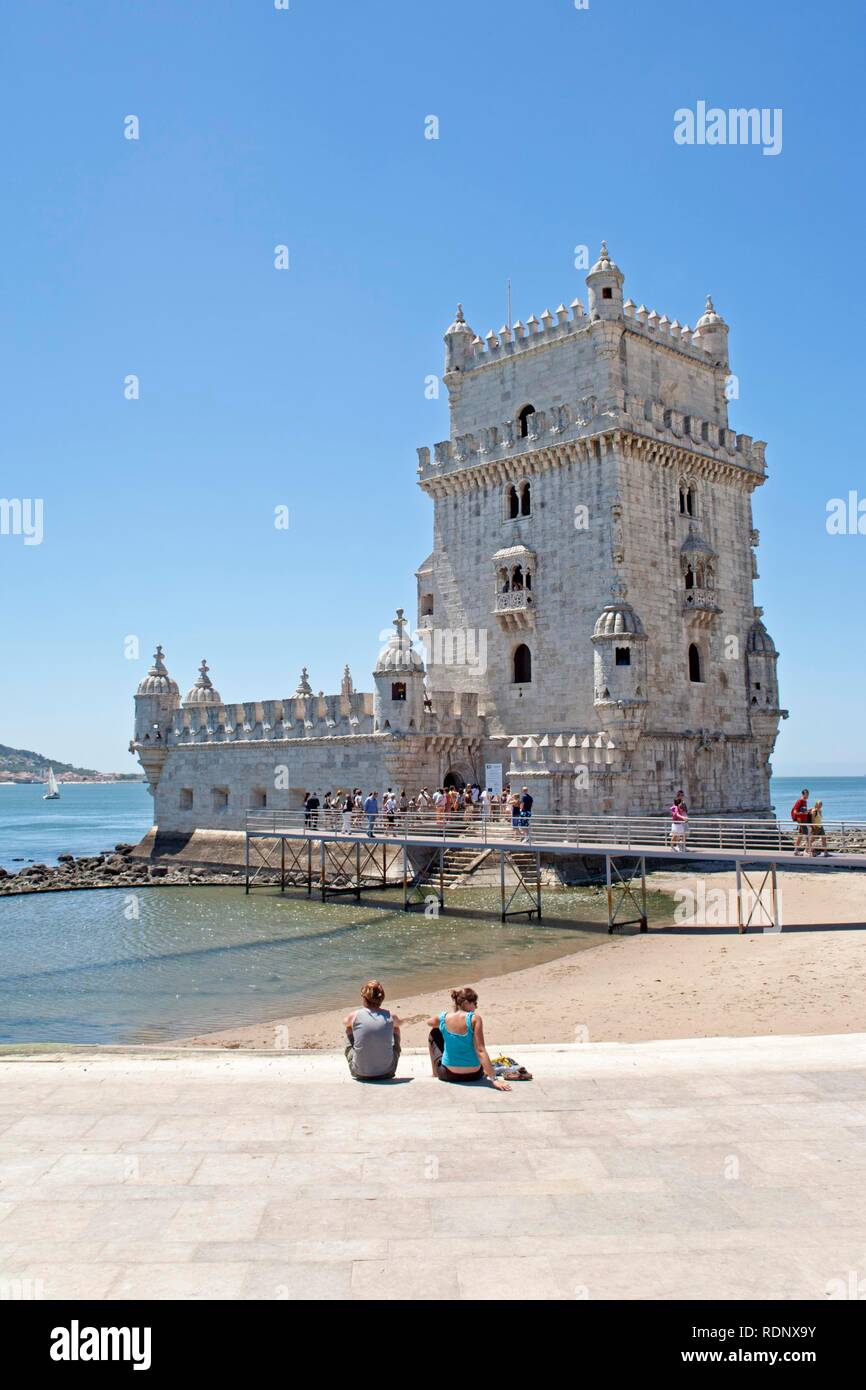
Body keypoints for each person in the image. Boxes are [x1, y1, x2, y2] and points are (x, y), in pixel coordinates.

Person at [427, 987, 511, 1090]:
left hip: (447, 1074)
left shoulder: (444, 1017)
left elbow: (429, 1022)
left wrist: (445, 1025)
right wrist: (494, 1079)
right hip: (474, 1074)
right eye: (475, 1003)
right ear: (466, 1003)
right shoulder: (474, 1019)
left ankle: (435, 1073)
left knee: (434, 1032)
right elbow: (480, 1050)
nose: (476, 1006)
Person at [344, 981, 401, 1080]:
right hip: (388, 1071)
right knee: (396, 1028)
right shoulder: (391, 1016)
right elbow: (399, 1023)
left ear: (364, 999)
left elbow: (345, 1022)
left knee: (349, 1028)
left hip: (359, 1072)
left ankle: (361, 1058)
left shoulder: (355, 1015)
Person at [792, 789, 811, 855]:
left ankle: (796, 850)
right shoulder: (800, 801)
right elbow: (795, 811)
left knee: (800, 835)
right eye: (807, 794)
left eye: (808, 794)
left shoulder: (805, 802)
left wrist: (808, 811)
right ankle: (808, 851)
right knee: (807, 835)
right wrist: (802, 813)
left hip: (804, 820)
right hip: (801, 821)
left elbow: (803, 811)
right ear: (803, 794)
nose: (808, 795)